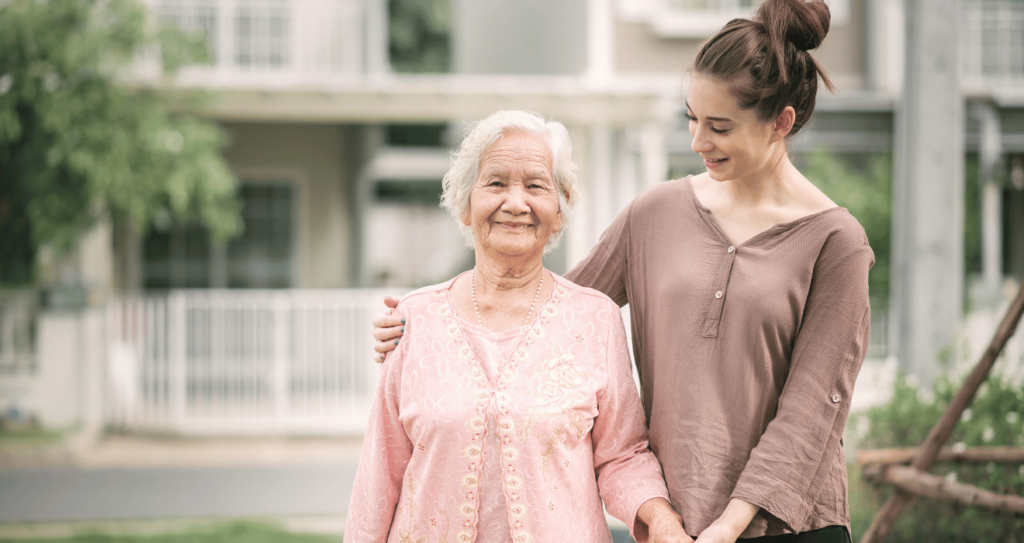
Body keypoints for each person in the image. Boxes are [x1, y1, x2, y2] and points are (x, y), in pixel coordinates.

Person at [372, 1, 873, 542]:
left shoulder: (835, 243)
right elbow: (556, 316)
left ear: (782, 123)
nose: (697, 143)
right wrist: (436, 327)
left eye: (720, 127)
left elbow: (812, 413)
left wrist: (730, 525)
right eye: (692, 119)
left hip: (789, 526)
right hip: (676, 524)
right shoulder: (654, 213)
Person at [346, 110, 688, 543]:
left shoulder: (596, 319)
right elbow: (380, 473)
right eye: (495, 183)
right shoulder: (414, 319)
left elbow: (622, 455)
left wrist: (659, 519)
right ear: (466, 203)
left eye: (535, 185)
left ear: (559, 210)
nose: (515, 202)